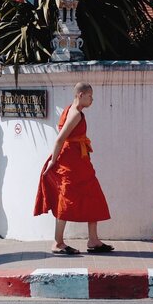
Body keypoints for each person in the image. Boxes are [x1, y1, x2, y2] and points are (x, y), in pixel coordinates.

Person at [34, 82, 113, 254]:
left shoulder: (69, 109)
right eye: (90, 95)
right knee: (66, 199)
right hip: (71, 163)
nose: (92, 99)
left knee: (93, 195)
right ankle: (58, 242)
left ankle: (93, 240)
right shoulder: (76, 114)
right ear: (80, 95)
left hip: (79, 161)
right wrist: (52, 162)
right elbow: (60, 139)